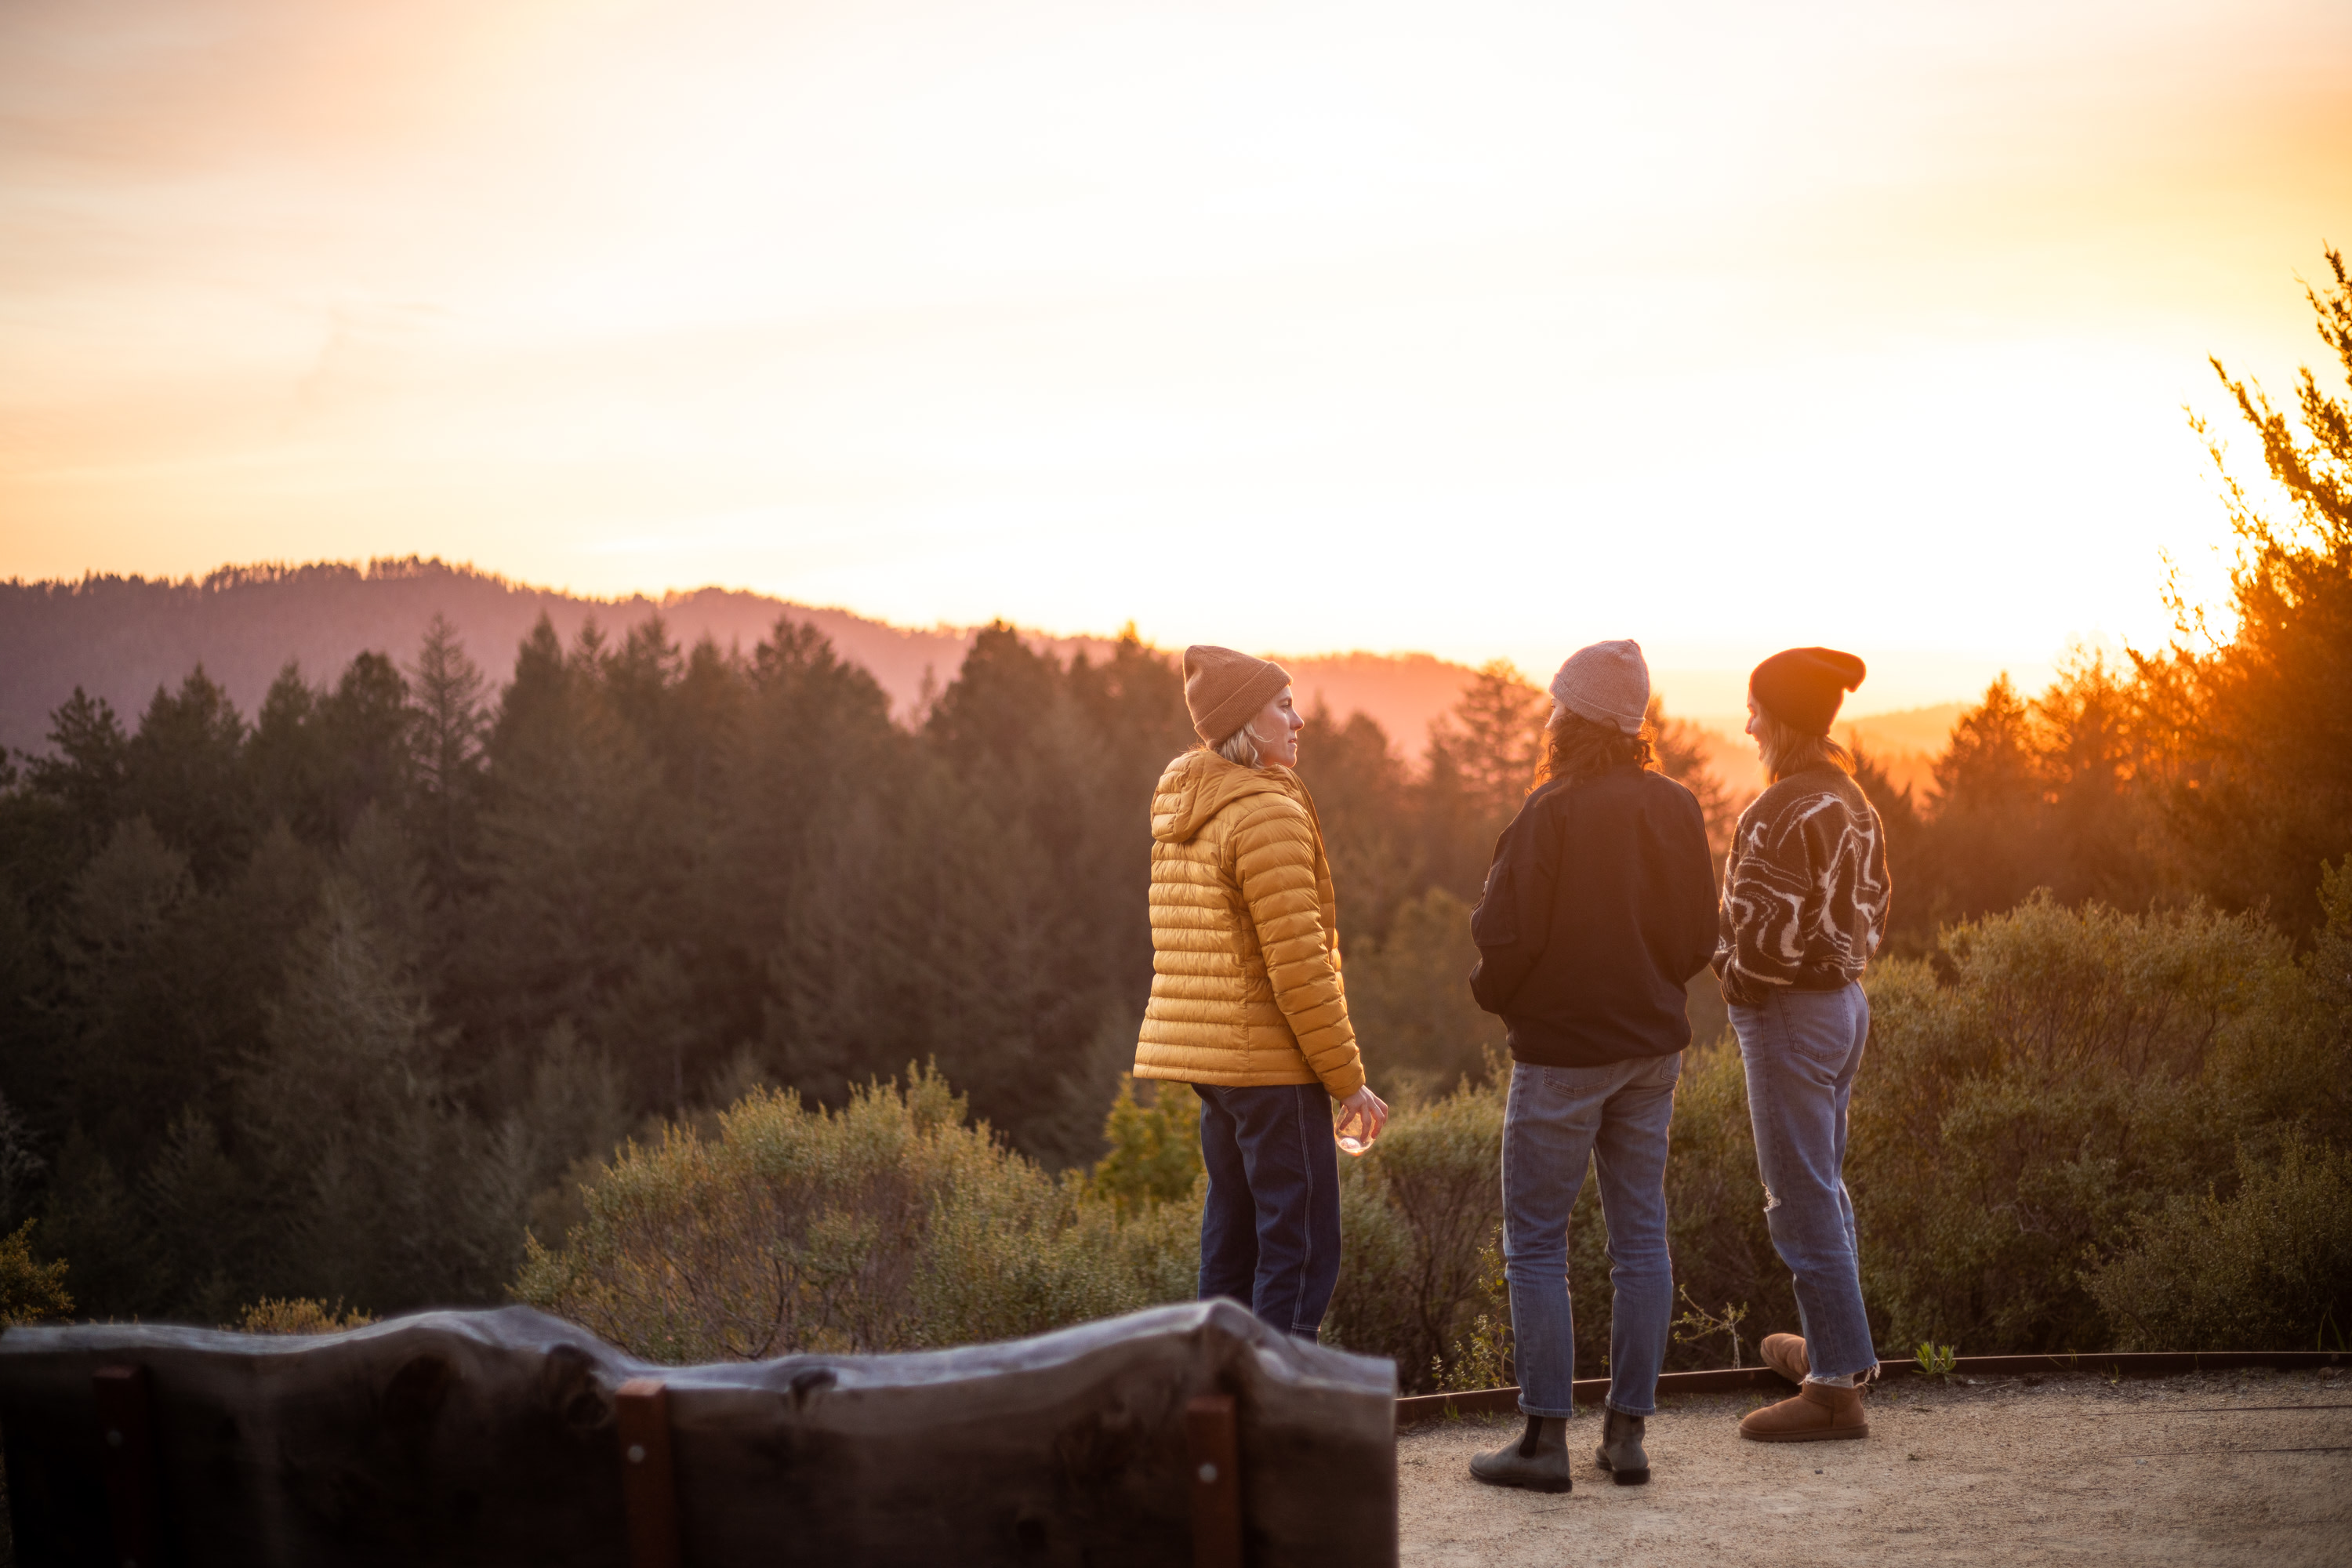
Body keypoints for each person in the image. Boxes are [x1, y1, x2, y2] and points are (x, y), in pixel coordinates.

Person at [1462, 640, 1719, 1494]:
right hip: (1651, 1050)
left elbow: (1505, 939)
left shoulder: (1551, 811)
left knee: (1536, 1241)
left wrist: (1502, 999)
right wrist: (1644, 990)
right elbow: (1696, 937)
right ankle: (1628, 1434)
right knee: (1639, 1235)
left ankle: (1541, 1442)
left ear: (1573, 717)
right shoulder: (1678, 807)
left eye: (1556, 702)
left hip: (1562, 1057)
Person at [1132, 644, 1389, 1340]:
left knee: (1233, 1237)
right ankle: (1276, 1413)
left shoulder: (1189, 805)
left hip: (1214, 1068)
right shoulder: (1264, 811)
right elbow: (1299, 967)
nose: (1299, 719)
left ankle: (1217, 1410)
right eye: (1283, 707)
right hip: (1272, 1067)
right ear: (1248, 722)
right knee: (1300, 1249)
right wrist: (1349, 1082)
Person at [1715, 646, 1891, 1443]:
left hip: (1790, 1012)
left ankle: (1832, 1392)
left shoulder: (1778, 810)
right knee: (1826, 1183)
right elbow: (1875, 905)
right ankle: (1833, 1350)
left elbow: (1762, 950)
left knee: (1798, 1195)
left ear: (1780, 717)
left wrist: (1723, 968)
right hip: (1846, 1004)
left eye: (1755, 708)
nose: (1747, 721)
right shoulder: (1853, 799)